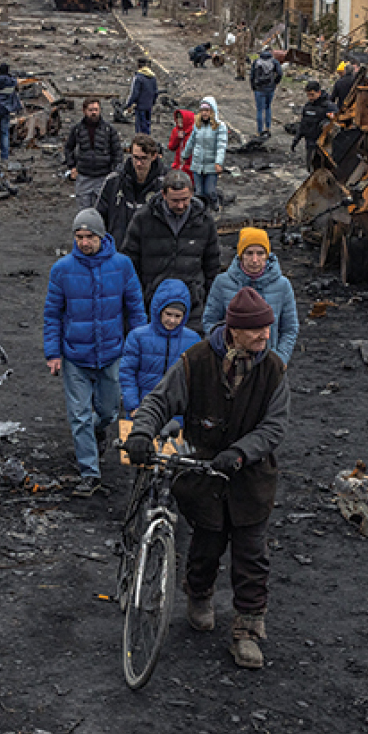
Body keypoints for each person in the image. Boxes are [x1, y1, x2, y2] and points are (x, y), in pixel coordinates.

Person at [125, 287, 289, 670]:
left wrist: (242, 452)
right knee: (205, 545)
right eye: (257, 330)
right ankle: (198, 595)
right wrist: (141, 432)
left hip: (251, 480)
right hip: (203, 476)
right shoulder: (196, 361)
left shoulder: (273, 370)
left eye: (267, 328)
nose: (265, 335)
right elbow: (160, 400)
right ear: (233, 330)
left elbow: (275, 426)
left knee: (252, 557)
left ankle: (247, 632)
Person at [43, 208, 147, 497]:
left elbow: (136, 308)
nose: (84, 242)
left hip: (112, 352)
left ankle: (99, 431)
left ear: (102, 236)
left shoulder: (122, 266)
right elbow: (52, 314)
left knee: (108, 410)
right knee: (78, 416)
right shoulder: (62, 270)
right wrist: (53, 353)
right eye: (79, 237)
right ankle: (89, 473)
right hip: (75, 354)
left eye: (89, 236)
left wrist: (139, 346)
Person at [122, 171, 222, 312]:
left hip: (193, 306)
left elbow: (212, 265)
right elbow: (130, 261)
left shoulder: (205, 221)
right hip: (152, 304)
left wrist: (207, 301)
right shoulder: (143, 219)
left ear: (192, 193)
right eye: (175, 201)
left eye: (185, 199)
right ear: (163, 195)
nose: (180, 205)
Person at [203, 227, 300, 364]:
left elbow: (289, 328)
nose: (255, 260)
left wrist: (279, 359)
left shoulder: (282, 285)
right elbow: (210, 322)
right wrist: (223, 352)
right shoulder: (222, 283)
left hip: (268, 362)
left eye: (260, 253)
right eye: (249, 253)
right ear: (240, 254)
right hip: (230, 361)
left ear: (267, 255)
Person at [119, 277, 201, 424]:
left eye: (177, 316)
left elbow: (197, 379)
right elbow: (127, 373)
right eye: (168, 314)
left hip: (177, 415)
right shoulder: (138, 336)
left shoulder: (193, 340)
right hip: (143, 410)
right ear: (158, 311)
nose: (172, 321)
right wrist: (132, 406)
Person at [97, 134, 168, 243]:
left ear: (154, 156)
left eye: (144, 158)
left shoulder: (165, 184)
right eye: (136, 157)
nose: (139, 163)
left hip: (151, 251)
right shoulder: (115, 181)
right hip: (119, 248)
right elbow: (99, 216)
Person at [64, 97, 122, 209]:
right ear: (84, 111)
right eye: (91, 110)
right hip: (84, 177)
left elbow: (117, 152)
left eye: (96, 109)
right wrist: (72, 167)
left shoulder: (109, 130)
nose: (94, 113)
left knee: (102, 211)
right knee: (84, 211)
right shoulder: (77, 129)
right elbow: (68, 148)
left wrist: (115, 172)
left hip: (103, 177)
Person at [188, 96, 231, 211]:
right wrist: (185, 154)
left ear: (212, 111)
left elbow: (221, 145)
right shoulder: (197, 125)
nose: (204, 113)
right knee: (199, 192)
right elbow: (191, 141)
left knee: (209, 191)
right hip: (197, 164)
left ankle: (216, 206)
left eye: (207, 110)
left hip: (211, 165)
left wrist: (218, 162)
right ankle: (201, 213)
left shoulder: (220, 126)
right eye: (202, 110)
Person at [291, 81, 335, 169]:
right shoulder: (307, 107)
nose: (310, 98)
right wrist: (296, 140)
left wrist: (326, 124)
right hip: (310, 144)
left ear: (319, 92)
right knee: (310, 168)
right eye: (308, 95)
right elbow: (303, 124)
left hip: (323, 146)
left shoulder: (329, 107)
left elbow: (336, 125)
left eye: (312, 95)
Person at [248, 48, 284, 139]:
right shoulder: (274, 62)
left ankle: (259, 131)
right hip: (270, 89)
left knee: (260, 110)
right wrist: (275, 83)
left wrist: (253, 87)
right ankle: (267, 128)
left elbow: (252, 75)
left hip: (259, 89)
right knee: (268, 107)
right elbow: (280, 73)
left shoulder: (256, 62)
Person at [127, 62, 159, 138]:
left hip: (140, 106)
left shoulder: (139, 77)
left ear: (138, 66)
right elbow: (155, 92)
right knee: (147, 127)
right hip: (149, 106)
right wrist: (152, 102)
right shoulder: (152, 77)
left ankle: (140, 145)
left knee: (140, 129)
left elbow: (135, 93)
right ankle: (147, 144)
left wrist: (129, 104)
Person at [167, 105, 196, 178]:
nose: (179, 121)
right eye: (178, 118)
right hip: (177, 165)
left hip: (190, 167)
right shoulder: (176, 130)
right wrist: (177, 137)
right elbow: (171, 147)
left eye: (181, 118)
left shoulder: (194, 132)